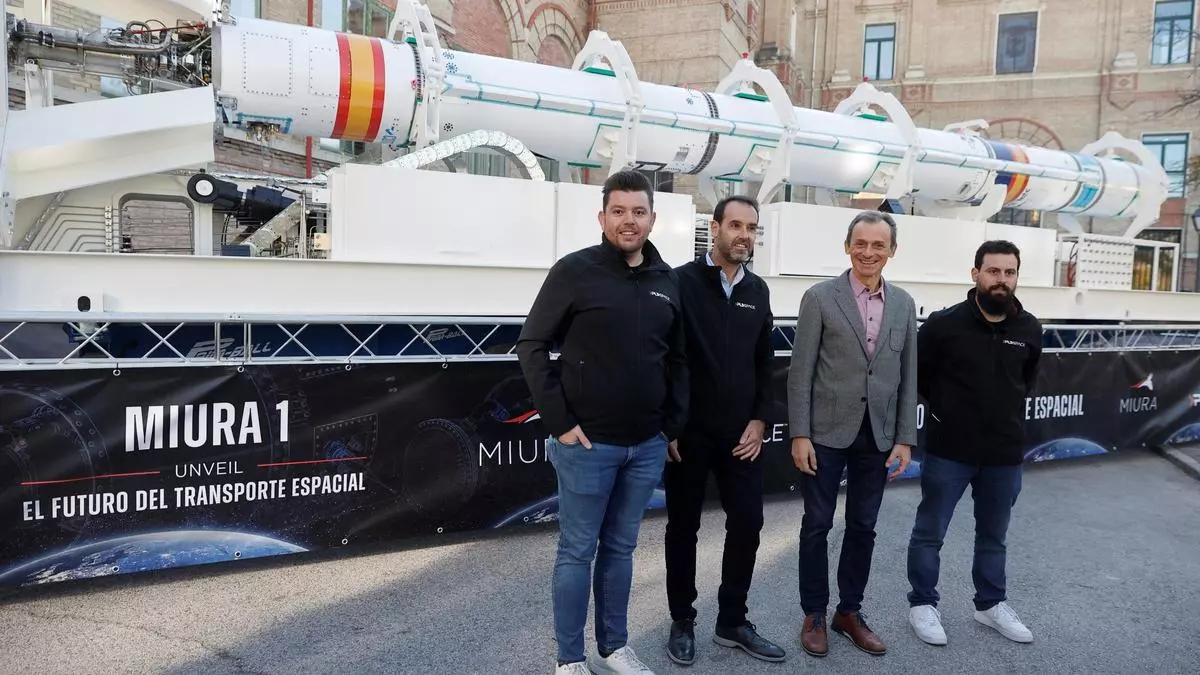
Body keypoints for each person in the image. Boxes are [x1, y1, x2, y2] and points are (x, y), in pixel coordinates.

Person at [516, 169, 688, 675]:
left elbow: (678, 359)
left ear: (652, 219)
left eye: (638, 211)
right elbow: (531, 345)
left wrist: (670, 426)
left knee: (621, 550)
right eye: (619, 211)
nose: (628, 220)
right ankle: (569, 660)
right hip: (586, 445)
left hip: (646, 445)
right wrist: (560, 423)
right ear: (602, 217)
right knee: (577, 553)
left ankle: (613, 649)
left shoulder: (667, 280)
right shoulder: (575, 271)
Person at [786, 209, 918, 658]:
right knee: (817, 524)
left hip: (878, 437)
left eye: (878, 245)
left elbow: (908, 375)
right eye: (860, 243)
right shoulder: (820, 298)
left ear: (891, 251)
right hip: (824, 433)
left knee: (863, 526)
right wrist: (800, 434)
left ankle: (849, 612)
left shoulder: (903, 304)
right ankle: (814, 613)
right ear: (847, 247)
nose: (868, 252)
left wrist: (904, 438)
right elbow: (800, 373)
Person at [662, 195, 787, 666]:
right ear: (714, 228)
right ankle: (682, 619)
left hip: (741, 436)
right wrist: (669, 425)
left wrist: (760, 419)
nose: (744, 235)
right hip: (689, 434)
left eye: (751, 228)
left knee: (749, 523)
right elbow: (664, 357)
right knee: (683, 529)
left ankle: (732, 621)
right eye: (735, 225)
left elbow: (764, 361)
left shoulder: (758, 289)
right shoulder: (679, 282)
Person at [906, 240, 1041, 647]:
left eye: (1009, 272)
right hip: (949, 451)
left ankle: (990, 604)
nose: (1002, 280)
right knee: (930, 532)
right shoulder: (944, 324)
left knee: (994, 537)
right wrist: (949, 412)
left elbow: (1026, 383)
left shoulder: (1029, 328)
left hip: (1004, 455)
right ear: (976, 274)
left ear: (1016, 276)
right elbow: (918, 377)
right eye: (993, 271)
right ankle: (922, 604)